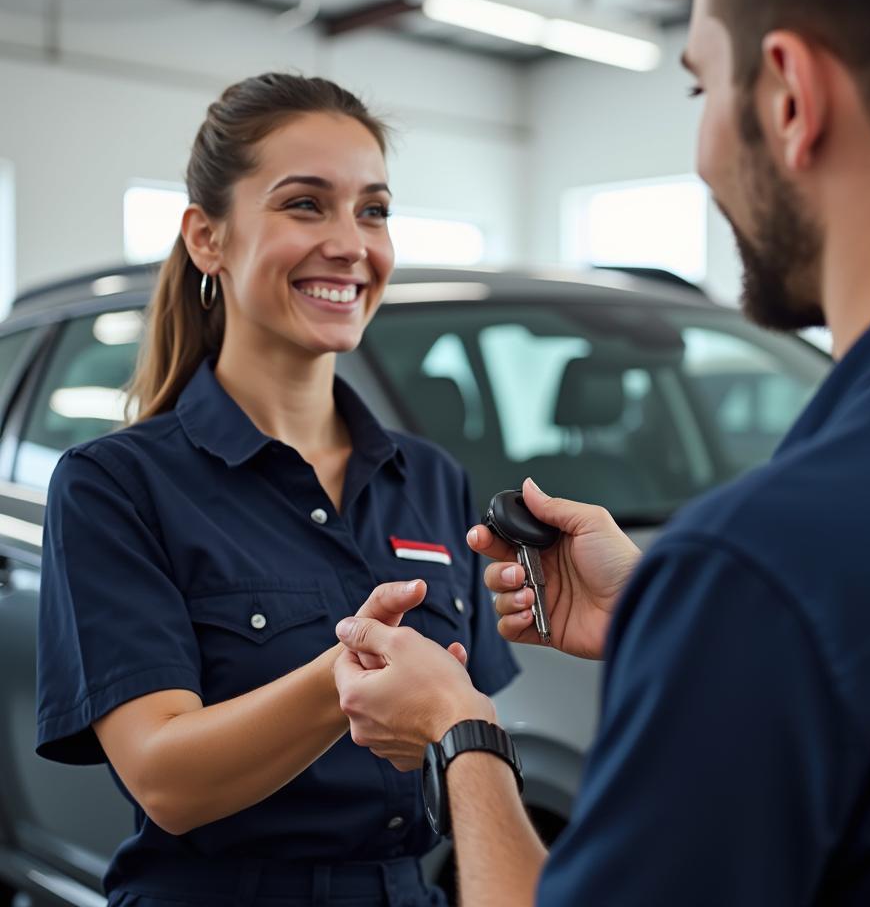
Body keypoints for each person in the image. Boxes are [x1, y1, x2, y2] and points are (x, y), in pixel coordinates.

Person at [331, 0, 870, 903]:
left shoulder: (763, 578)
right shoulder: (765, 586)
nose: (701, 152)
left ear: (788, 97)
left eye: (701, 89)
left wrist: (462, 732)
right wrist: (677, 616)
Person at [35, 73, 518, 907]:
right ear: (207, 238)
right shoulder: (114, 487)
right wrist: (349, 674)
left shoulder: (432, 479)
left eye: (373, 210)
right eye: (305, 204)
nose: (350, 243)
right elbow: (165, 780)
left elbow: (465, 727)